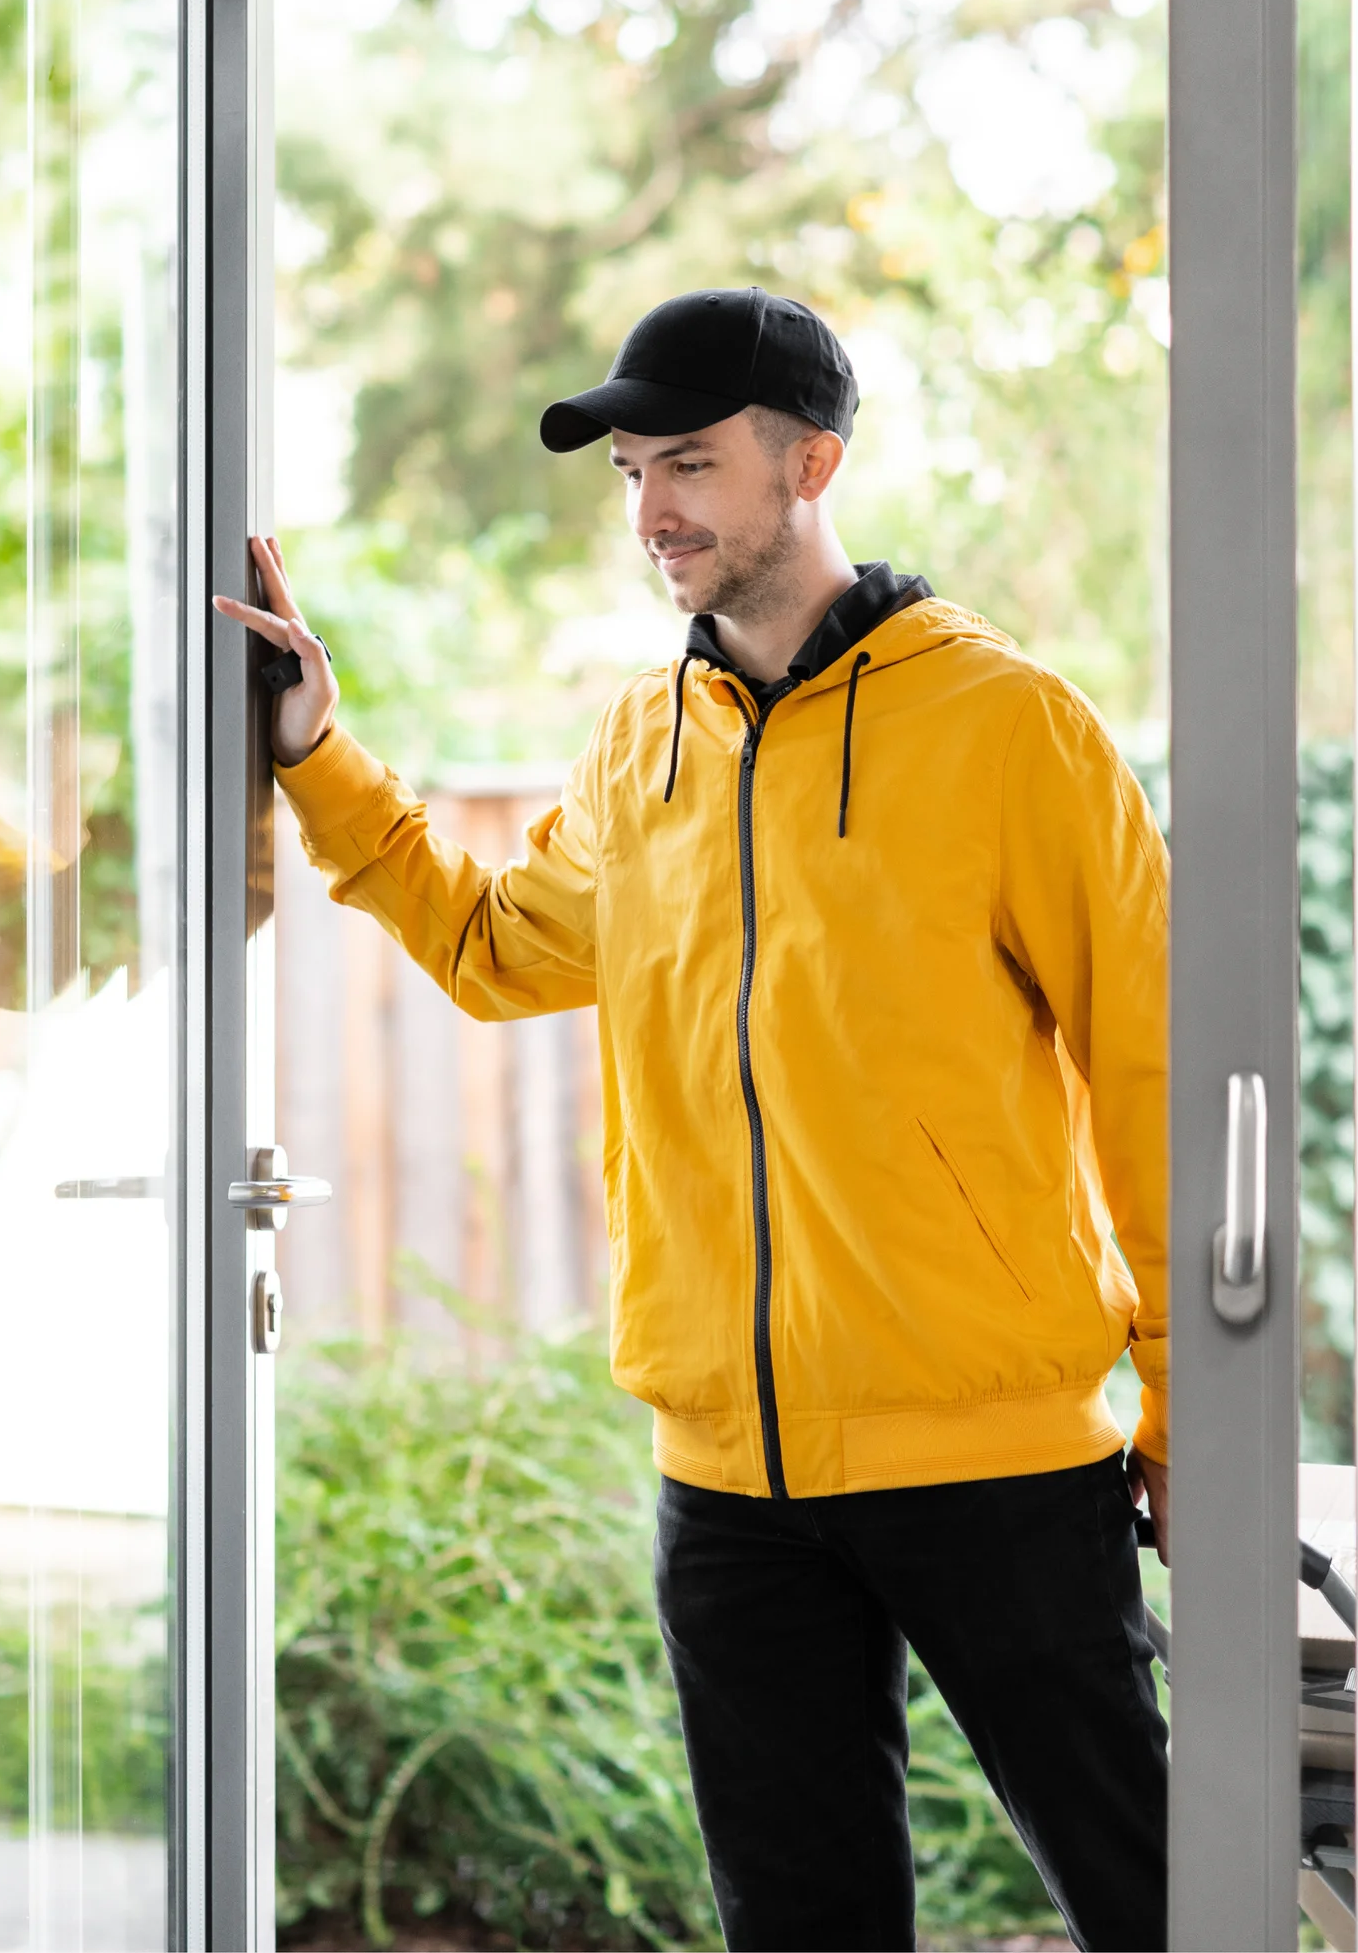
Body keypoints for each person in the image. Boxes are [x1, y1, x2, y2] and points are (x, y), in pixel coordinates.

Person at [216, 287, 1171, 1952]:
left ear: (814, 461)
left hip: (996, 1457)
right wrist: (317, 753)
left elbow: (1153, 1064)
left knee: (1158, 1895)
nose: (654, 511)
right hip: (727, 1479)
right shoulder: (642, 746)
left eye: (693, 467)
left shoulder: (1010, 726)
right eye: (635, 473)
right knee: (798, 1923)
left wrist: (1184, 1410)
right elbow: (500, 947)